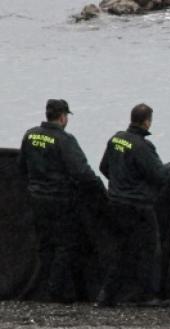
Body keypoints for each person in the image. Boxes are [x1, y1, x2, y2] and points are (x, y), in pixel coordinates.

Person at [96, 103, 170, 307]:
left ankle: (106, 296)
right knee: (149, 249)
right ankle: (146, 295)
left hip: (116, 203)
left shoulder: (116, 139)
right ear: (147, 122)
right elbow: (159, 175)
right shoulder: (142, 146)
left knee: (121, 250)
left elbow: (104, 167)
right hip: (139, 207)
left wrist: (121, 183)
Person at [18, 99, 105, 303]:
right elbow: (81, 171)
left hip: (36, 198)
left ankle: (43, 287)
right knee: (65, 245)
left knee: (45, 244)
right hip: (60, 199)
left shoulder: (30, 135)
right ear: (63, 117)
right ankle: (58, 291)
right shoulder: (65, 139)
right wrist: (100, 191)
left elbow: (22, 165)